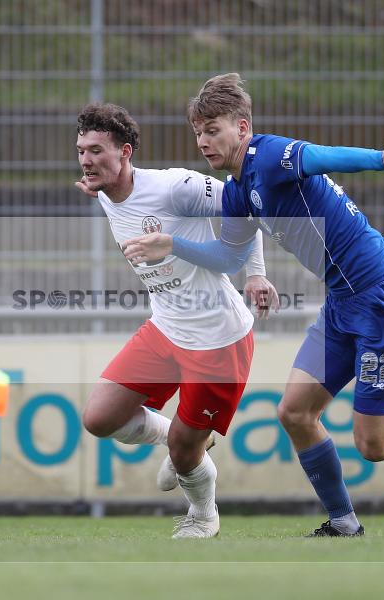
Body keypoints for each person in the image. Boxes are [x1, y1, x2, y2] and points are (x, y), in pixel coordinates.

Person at [121, 73, 384, 537]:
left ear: (243, 127)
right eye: (198, 132)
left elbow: (319, 156)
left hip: (383, 301)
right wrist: (173, 245)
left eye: (213, 130)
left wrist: (378, 160)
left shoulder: (268, 155)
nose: (203, 141)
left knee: (376, 443)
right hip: (342, 303)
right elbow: (229, 257)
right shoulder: (236, 192)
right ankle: (344, 524)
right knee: (294, 412)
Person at [75, 103, 278, 538]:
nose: (86, 161)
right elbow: (116, 194)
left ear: (125, 152)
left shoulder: (175, 187)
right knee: (99, 418)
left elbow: (245, 206)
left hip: (218, 339)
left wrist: (256, 273)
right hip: (165, 329)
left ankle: (204, 516)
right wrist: (99, 182)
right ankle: (185, 438)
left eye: (96, 151)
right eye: (81, 152)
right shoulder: (107, 192)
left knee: (185, 456)